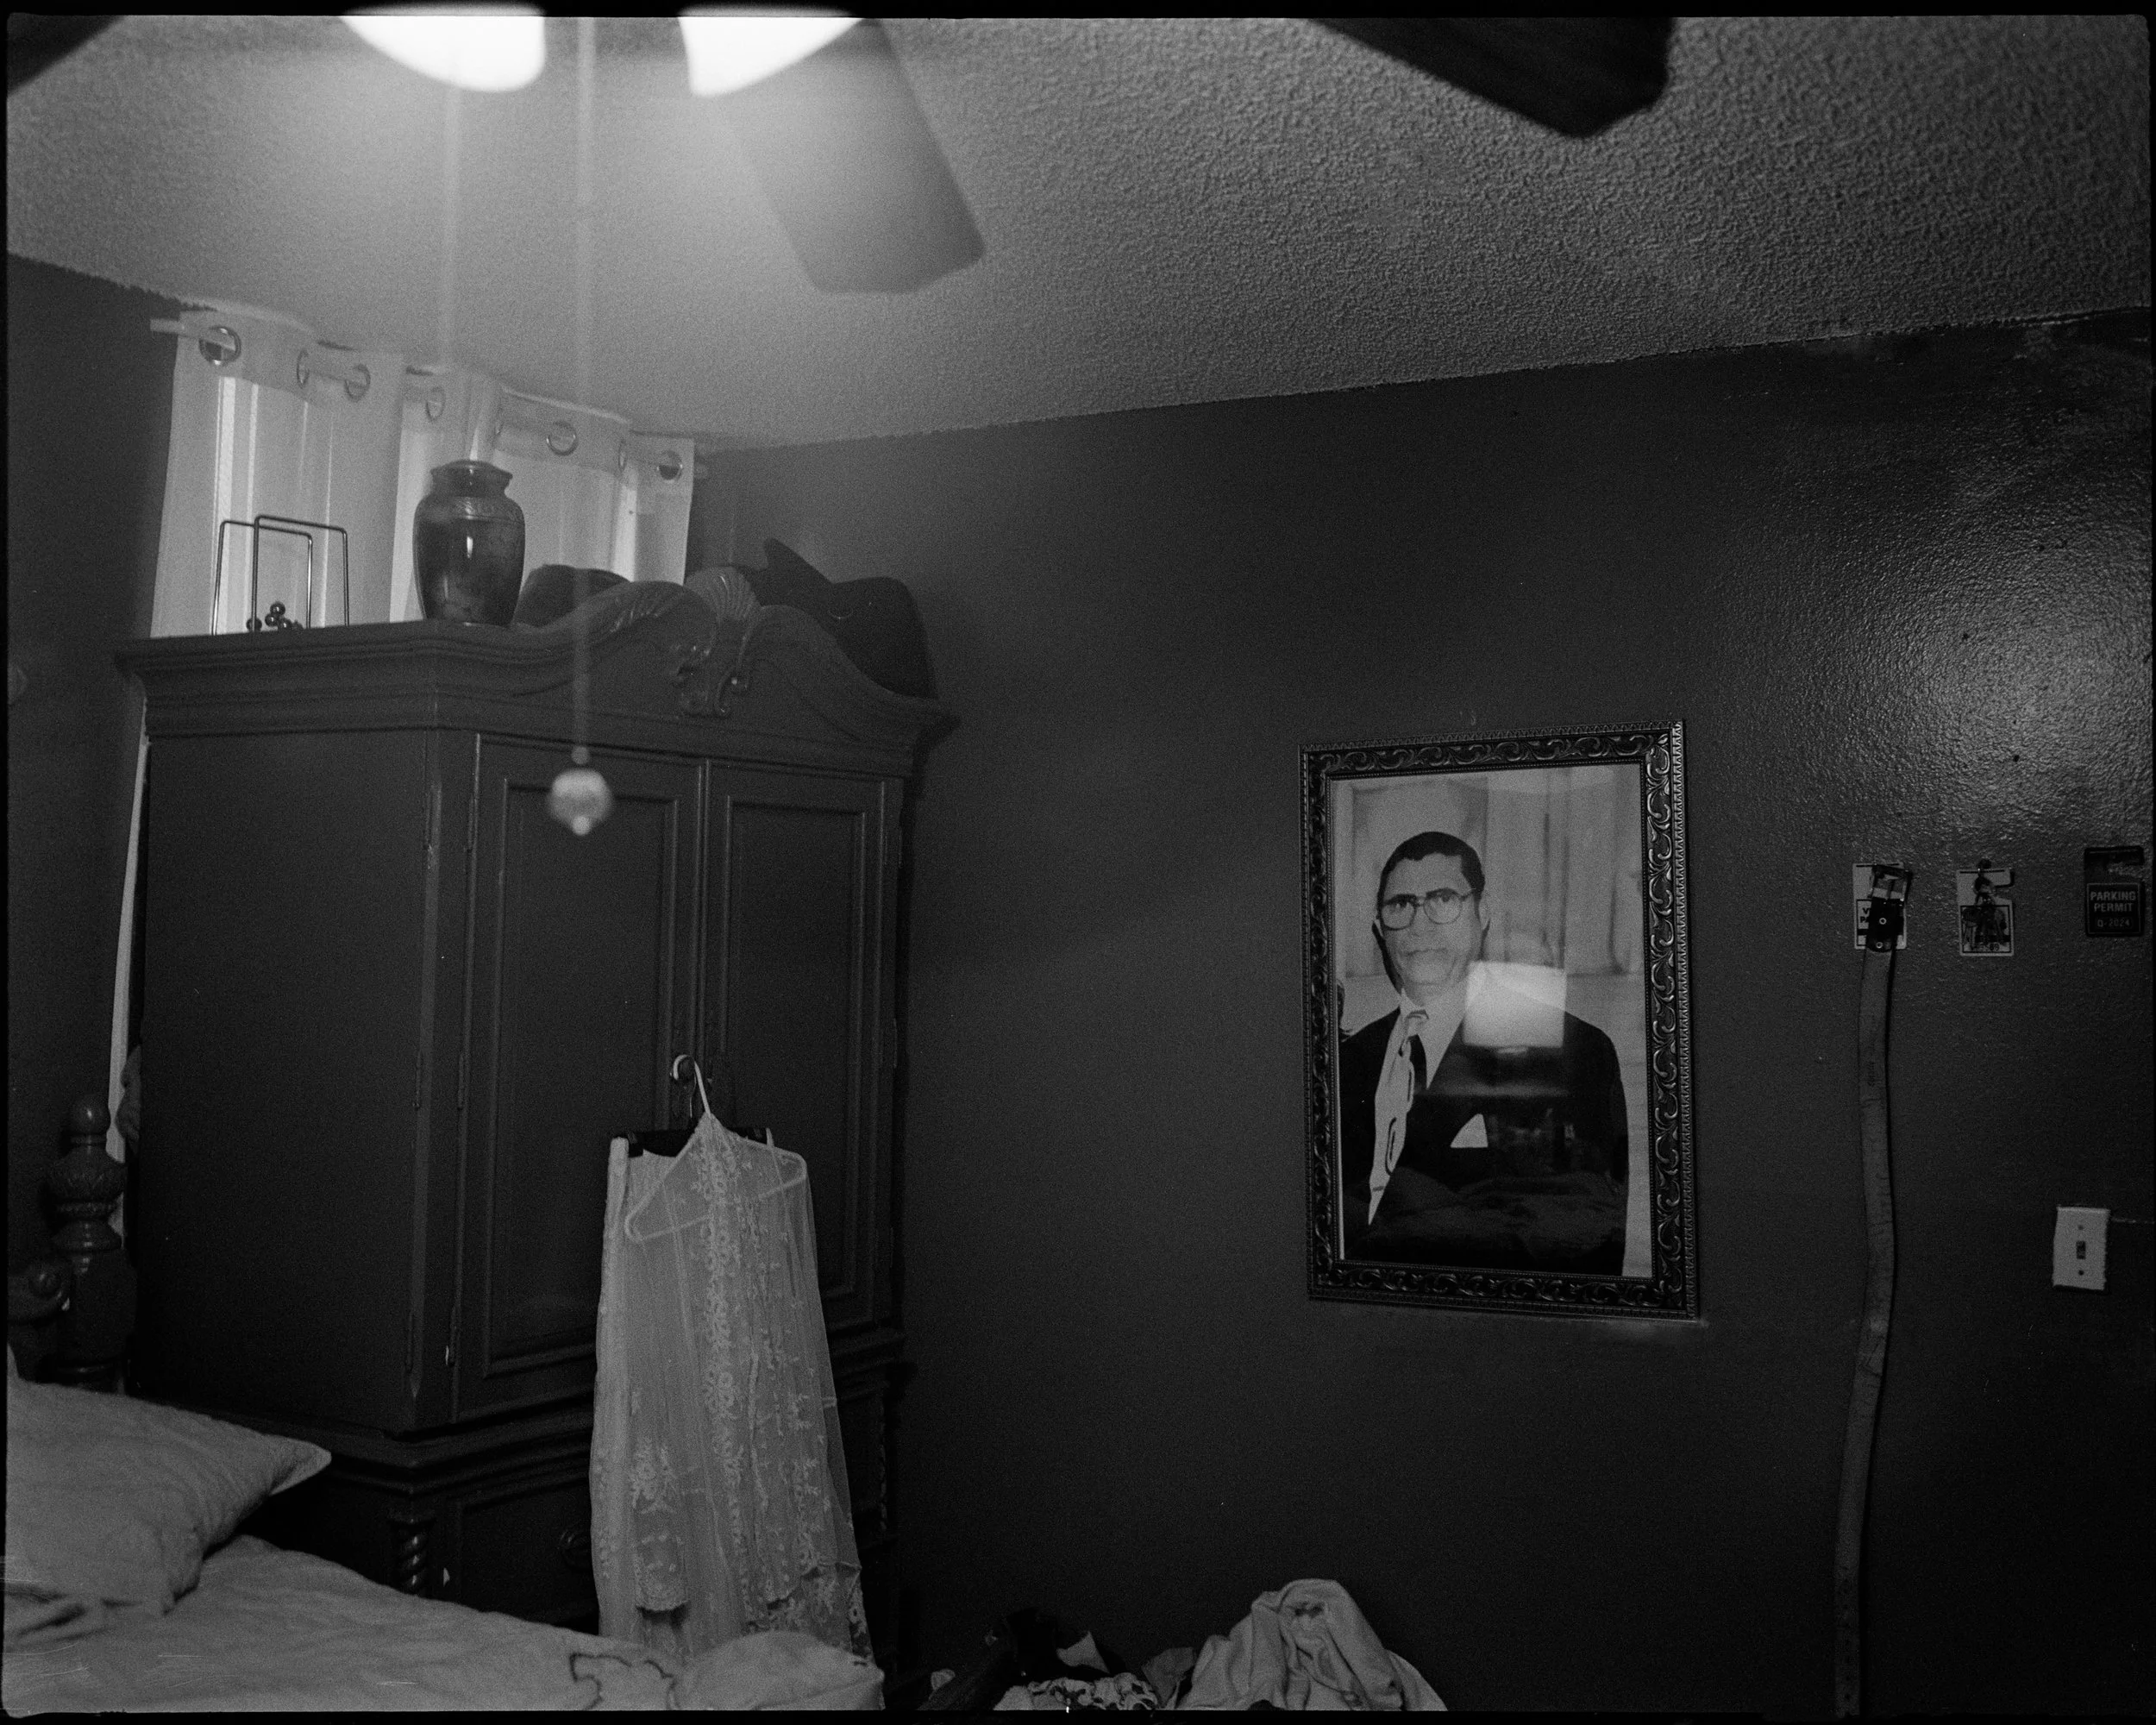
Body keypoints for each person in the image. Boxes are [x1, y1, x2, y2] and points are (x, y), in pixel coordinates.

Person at [1337, 831, 1628, 1272]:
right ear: (1379, 927)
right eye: (1400, 905)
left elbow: (1585, 1239)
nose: (1419, 925)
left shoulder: (1572, 1050)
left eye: (1443, 900)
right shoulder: (1351, 1058)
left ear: (1483, 912)